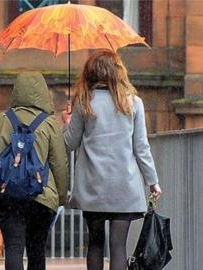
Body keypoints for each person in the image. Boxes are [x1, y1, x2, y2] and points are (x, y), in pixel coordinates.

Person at [62, 49, 162, 270]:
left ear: (90, 73)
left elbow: (68, 143)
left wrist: (67, 122)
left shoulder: (83, 102)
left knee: (95, 244)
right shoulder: (133, 103)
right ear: (117, 72)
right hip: (123, 186)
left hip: (92, 186)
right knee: (119, 247)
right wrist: (152, 180)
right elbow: (141, 147)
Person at [0, 71, 69, 270]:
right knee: (36, 250)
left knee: (13, 248)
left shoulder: (1, 120)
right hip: (42, 198)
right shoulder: (50, 123)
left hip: (8, 197)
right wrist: (60, 197)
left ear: (17, 92)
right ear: (43, 93)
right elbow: (60, 165)